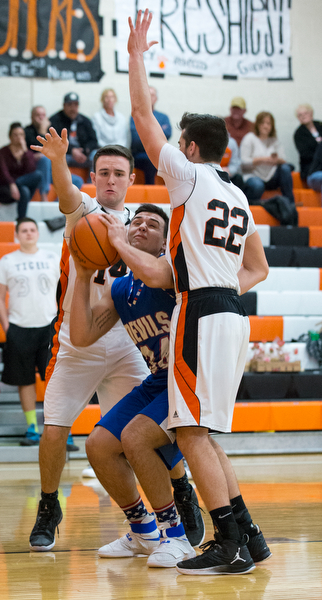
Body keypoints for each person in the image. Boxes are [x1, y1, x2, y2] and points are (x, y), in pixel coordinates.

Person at [121, 9, 270, 576]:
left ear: (186, 147)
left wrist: (136, 54)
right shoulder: (237, 195)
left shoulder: (188, 176)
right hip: (230, 309)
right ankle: (248, 536)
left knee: (189, 431)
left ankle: (226, 540)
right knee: (202, 432)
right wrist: (223, 288)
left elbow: (140, 113)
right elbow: (259, 268)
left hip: (202, 311)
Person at [27, 129, 157, 552]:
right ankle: (49, 506)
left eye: (119, 173)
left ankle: (180, 500)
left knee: (150, 429)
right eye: (104, 173)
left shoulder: (142, 222)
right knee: (54, 431)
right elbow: (65, 193)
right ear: (95, 177)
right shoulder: (83, 212)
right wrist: (59, 160)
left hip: (126, 343)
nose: (111, 180)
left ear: (131, 179)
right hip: (75, 342)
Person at [69, 204, 204, 566]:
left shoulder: (173, 271)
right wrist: (83, 274)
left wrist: (116, 240)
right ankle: (142, 530)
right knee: (97, 445)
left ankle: (176, 536)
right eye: (137, 222)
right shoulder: (122, 288)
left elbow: (157, 274)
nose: (141, 226)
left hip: (185, 380)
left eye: (153, 224)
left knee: (135, 438)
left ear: (165, 242)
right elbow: (81, 336)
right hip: (158, 380)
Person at [0, 218, 60, 446]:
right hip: (19, 328)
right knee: (24, 381)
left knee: (53, 380)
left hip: (48, 327)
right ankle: (32, 428)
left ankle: (59, 429)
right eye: (23, 230)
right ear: (17, 235)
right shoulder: (7, 261)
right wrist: (7, 328)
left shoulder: (51, 259)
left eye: (32, 229)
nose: (28, 233)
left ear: (37, 233)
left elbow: (63, 293)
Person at [25, 106, 84, 194]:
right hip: (36, 170)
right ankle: (44, 195)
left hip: (52, 170)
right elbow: (37, 150)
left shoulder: (51, 131)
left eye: (43, 115)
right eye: (38, 115)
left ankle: (58, 204)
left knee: (77, 181)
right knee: (45, 159)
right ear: (32, 117)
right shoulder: (26, 131)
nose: (41, 118)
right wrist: (42, 131)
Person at [240, 111, 295, 204]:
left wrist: (275, 160)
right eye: (263, 123)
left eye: (268, 123)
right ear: (257, 124)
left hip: (271, 176)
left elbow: (283, 160)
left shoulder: (275, 140)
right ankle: (249, 208)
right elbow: (244, 163)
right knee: (257, 185)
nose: (265, 126)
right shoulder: (249, 138)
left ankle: (290, 203)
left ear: (272, 126)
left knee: (285, 169)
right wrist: (263, 159)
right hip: (253, 175)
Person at [0, 122, 42, 219]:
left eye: (21, 134)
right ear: (10, 137)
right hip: (6, 187)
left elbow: (31, 170)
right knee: (24, 191)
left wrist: (25, 151)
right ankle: (21, 219)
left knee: (38, 174)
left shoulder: (28, 153)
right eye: (15, 135)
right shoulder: (3, 152)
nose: (18, 137)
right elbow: (3, 171)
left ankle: (18, 183)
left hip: (22, 183)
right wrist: (12, 184)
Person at [130, 86, 171, 184]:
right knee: (150, 161)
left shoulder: (163, 117)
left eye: (152, 95)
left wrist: (146, 133)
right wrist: (158, 132)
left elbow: (167, 135)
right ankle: (149, 194)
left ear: (156, 98)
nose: (149, 97)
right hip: (140, 155)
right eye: (147, 95)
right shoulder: (135, 116)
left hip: (159, 154)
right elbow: (136, 139)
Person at [50, 93, 98, 176]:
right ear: (64, 105)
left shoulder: (85, 121)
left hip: (83, 155)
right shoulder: (55, 120)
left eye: (75, 105)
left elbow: (94, 140)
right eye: (69, 105)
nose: (73, 108)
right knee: (56, 158)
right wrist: (72, 150)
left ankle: (93, 185)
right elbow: (54, 141)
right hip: (65, 155)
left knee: (96, 156)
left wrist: (85, 150)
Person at [294, 104, 322, 182]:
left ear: (311, 114)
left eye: (305, 113)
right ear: (298, 118)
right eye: (300, 115)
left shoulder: (320, 125)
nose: (303, 116)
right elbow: (305, 155)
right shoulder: (299, 134)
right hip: (312, 170)